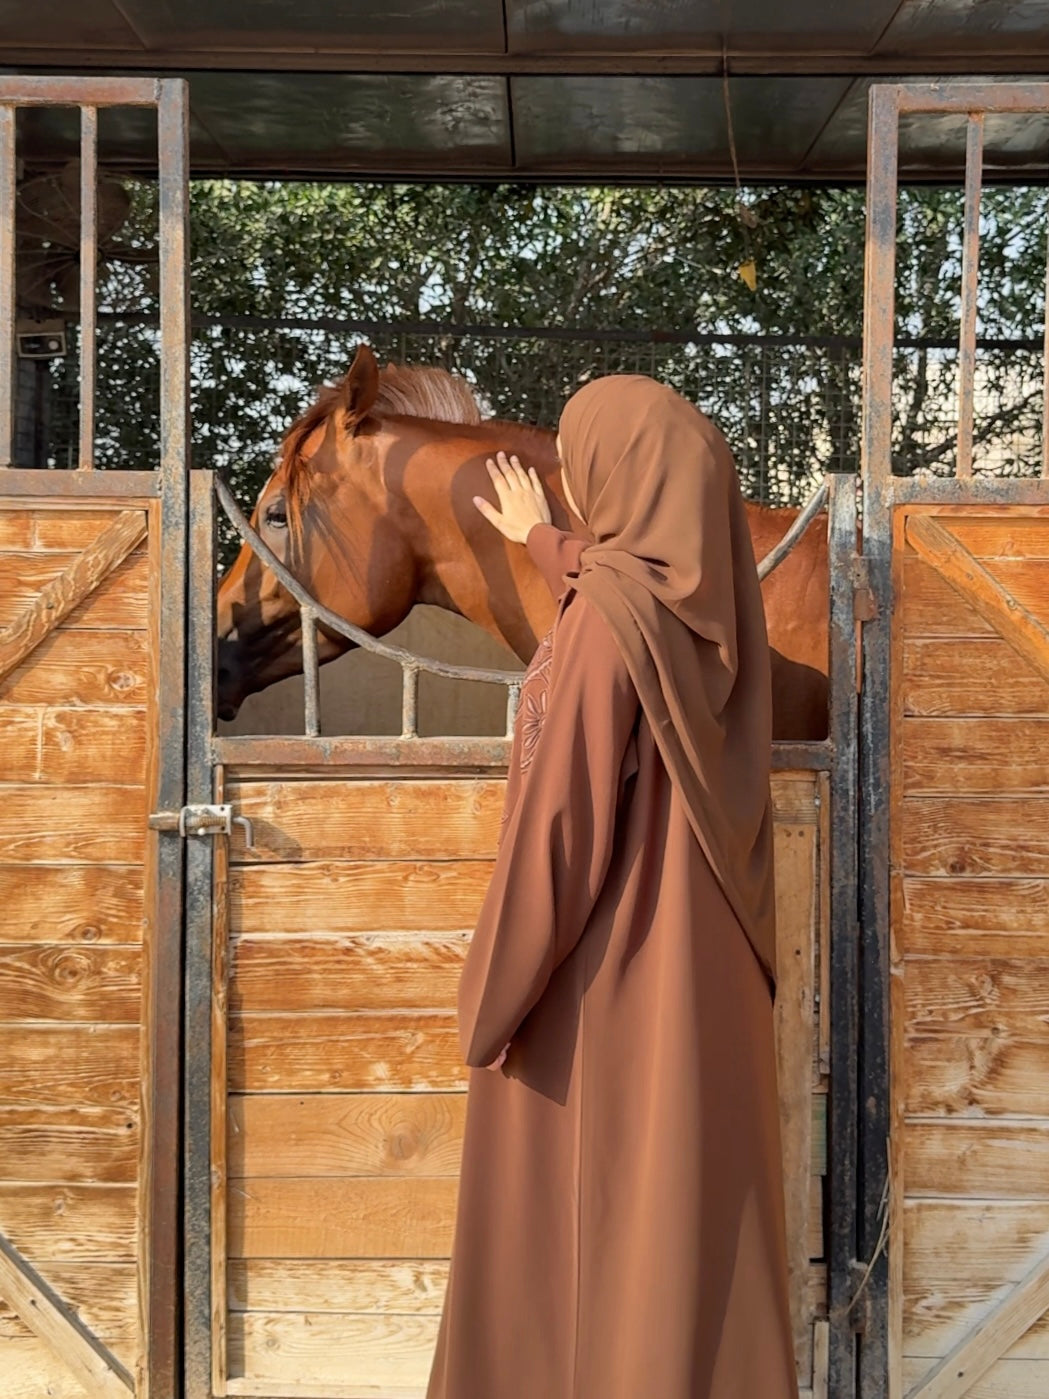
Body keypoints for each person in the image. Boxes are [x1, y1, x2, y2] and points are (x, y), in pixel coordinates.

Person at [427, 375, 798, 1399]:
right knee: (686, 1231)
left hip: (601, 982)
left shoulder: (605, 624)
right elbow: (622, 593)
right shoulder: (713, 621)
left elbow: (561, 826)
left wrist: (489, 1000)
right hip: (707, 979)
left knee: (568, 1234)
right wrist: (542, 544)